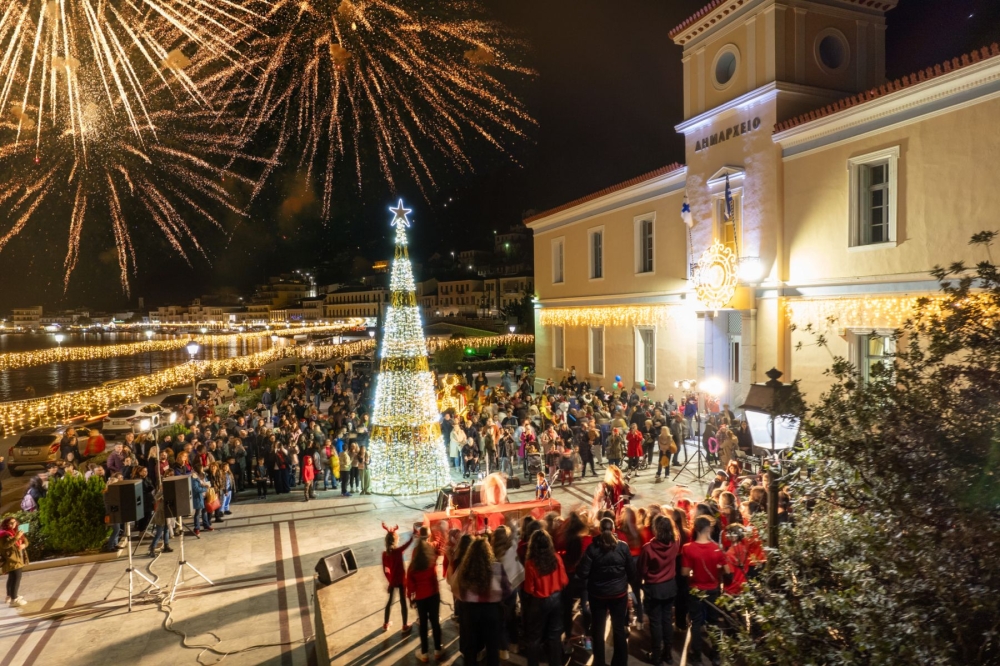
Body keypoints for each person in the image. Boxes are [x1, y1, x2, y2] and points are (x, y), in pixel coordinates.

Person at [576, 517, 635, 666]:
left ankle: (599, 662)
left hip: (598, 595)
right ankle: (620, 663)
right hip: (619, 594)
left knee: (598, 630)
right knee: (619, 629)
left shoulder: (592, 548)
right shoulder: (623, 547)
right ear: (614, 529)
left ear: (600, 530)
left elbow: (582, 572)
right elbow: (632, 571)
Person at [681, 515, 731, 664]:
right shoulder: (717, 549)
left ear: (695, 528)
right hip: (713, 589)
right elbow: (727, 570)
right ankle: (715, 655)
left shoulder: (688, 548)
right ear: (709, 528)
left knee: (696, 623)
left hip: (696, 590)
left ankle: (696, 656)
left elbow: (684, 572)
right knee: (714, 623)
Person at [454, 537, 510, 666]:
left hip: (470, 611)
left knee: (470, 648)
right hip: (492, 612)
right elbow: (507, 591)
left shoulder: (463, 569)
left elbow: (456, 588)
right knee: (492, 648)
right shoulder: (497, 567)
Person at [638, 515, 680, 665]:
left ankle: (656, 656)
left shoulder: (648, 549)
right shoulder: (675, 543)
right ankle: (667, 653)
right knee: (667, 620)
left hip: (654, 589)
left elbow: (642, 570)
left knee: (655, 622)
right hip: (670, 586)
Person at [523, 529, 568, 666]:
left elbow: (529, 589)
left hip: (539, 601)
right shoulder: (556, 558)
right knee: (554, 637)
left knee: (534, 638)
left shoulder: (531, 563)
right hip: (556, 599)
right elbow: (564, 581)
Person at [406, 538, 444, 663]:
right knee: (435, 622)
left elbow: (410, 585)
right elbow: (439, 551)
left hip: (421, 598)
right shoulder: (432, 562)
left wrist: (411, 598)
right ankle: (438, 650)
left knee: (423, 625)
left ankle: (424, 653)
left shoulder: (412, 567)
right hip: (433, 595)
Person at [381, 525, 413, 632]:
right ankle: (405, 625)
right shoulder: (398, 551)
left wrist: (390, 581)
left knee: (390, 602)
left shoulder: (385, 554)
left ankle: (386, 624)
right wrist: (413, 535)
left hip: (393, 581)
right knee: (403, 602)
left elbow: (386, 571)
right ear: (396, 541)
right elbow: (408, 544)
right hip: (401, 580)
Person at [1, 516, 29, 606]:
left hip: (18, 558)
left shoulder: (17, 531)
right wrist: (16, 538)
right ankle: (14, 599)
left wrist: (24, 545)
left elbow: (26, 541)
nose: (13, 524)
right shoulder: (3, 534)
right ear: (6, 524)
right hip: (12, 560)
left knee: (12, 578)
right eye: (10, 523)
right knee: (16, 579)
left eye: (14, 522)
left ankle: (10, 596)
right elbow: (5, 546)